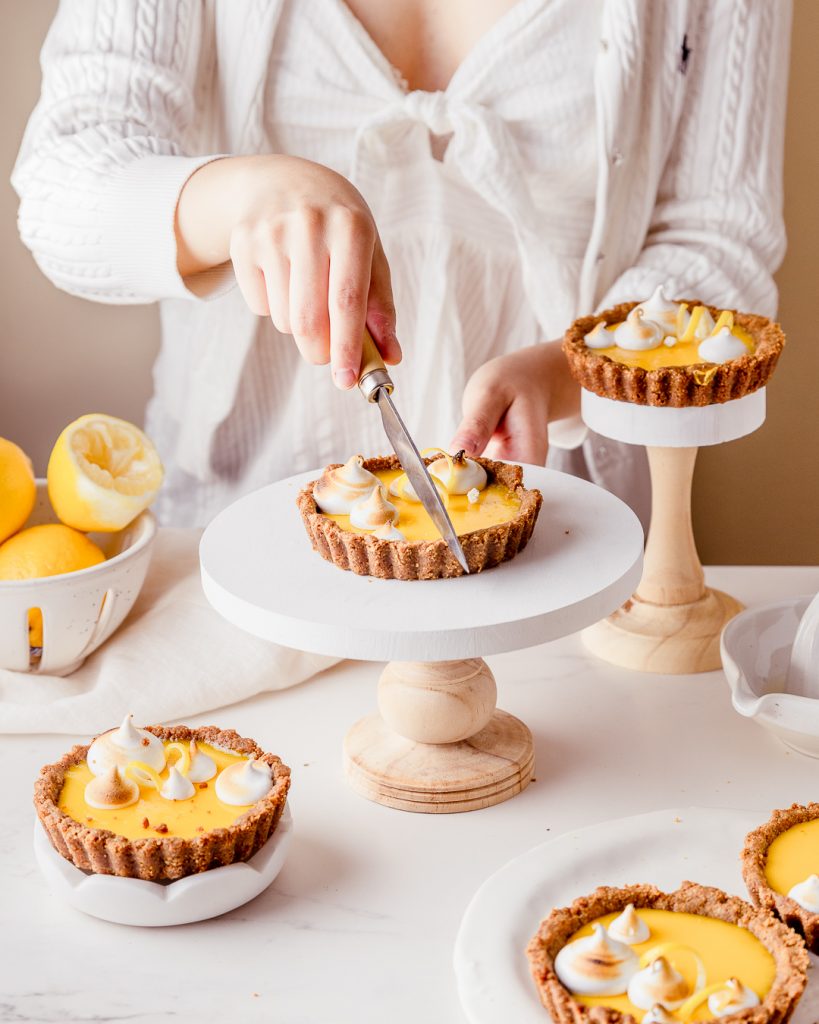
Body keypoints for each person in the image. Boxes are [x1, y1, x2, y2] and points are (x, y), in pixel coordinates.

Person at [12, 1, 791, 529]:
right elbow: (60, 188)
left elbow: (719, 233)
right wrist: (244, 193)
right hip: (231, 536)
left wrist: (570, 370)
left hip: (568, 545)